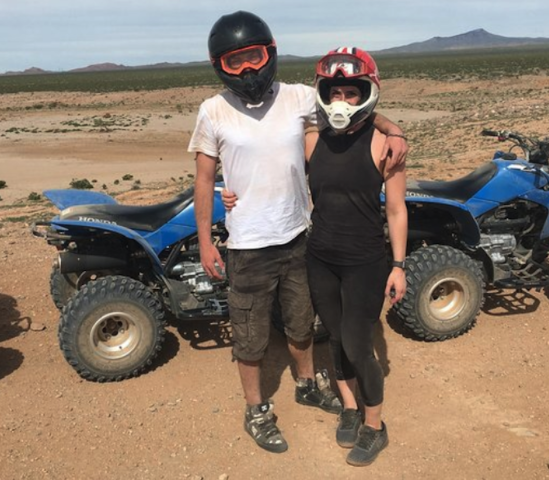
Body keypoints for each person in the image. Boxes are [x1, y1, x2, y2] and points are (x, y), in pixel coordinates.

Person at [189, 11, 408, 454]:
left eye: (254, 57)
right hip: (249, 243)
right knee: (250, 336)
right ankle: (257, 409)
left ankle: (309, 385)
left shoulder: (297, 98)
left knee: (301, 324)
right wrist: (207, 237)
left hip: (298, 238)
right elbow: (203, 178)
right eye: (236, 62)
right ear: (220, 66)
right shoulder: (212, 111)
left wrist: (393, 128)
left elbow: (351, 106)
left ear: (269, 53)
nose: (248, 69)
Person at [305, 47, 408, 466]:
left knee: (359, 345)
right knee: (334, 337)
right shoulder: (311, 139)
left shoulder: (388, 145)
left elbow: (397, 209)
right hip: (320, 257)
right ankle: (348, 407)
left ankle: (374, 426)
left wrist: (399, 265)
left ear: (367, 91)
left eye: (351, 92)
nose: (342, 101)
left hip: (365, 260)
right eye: (335, 93)